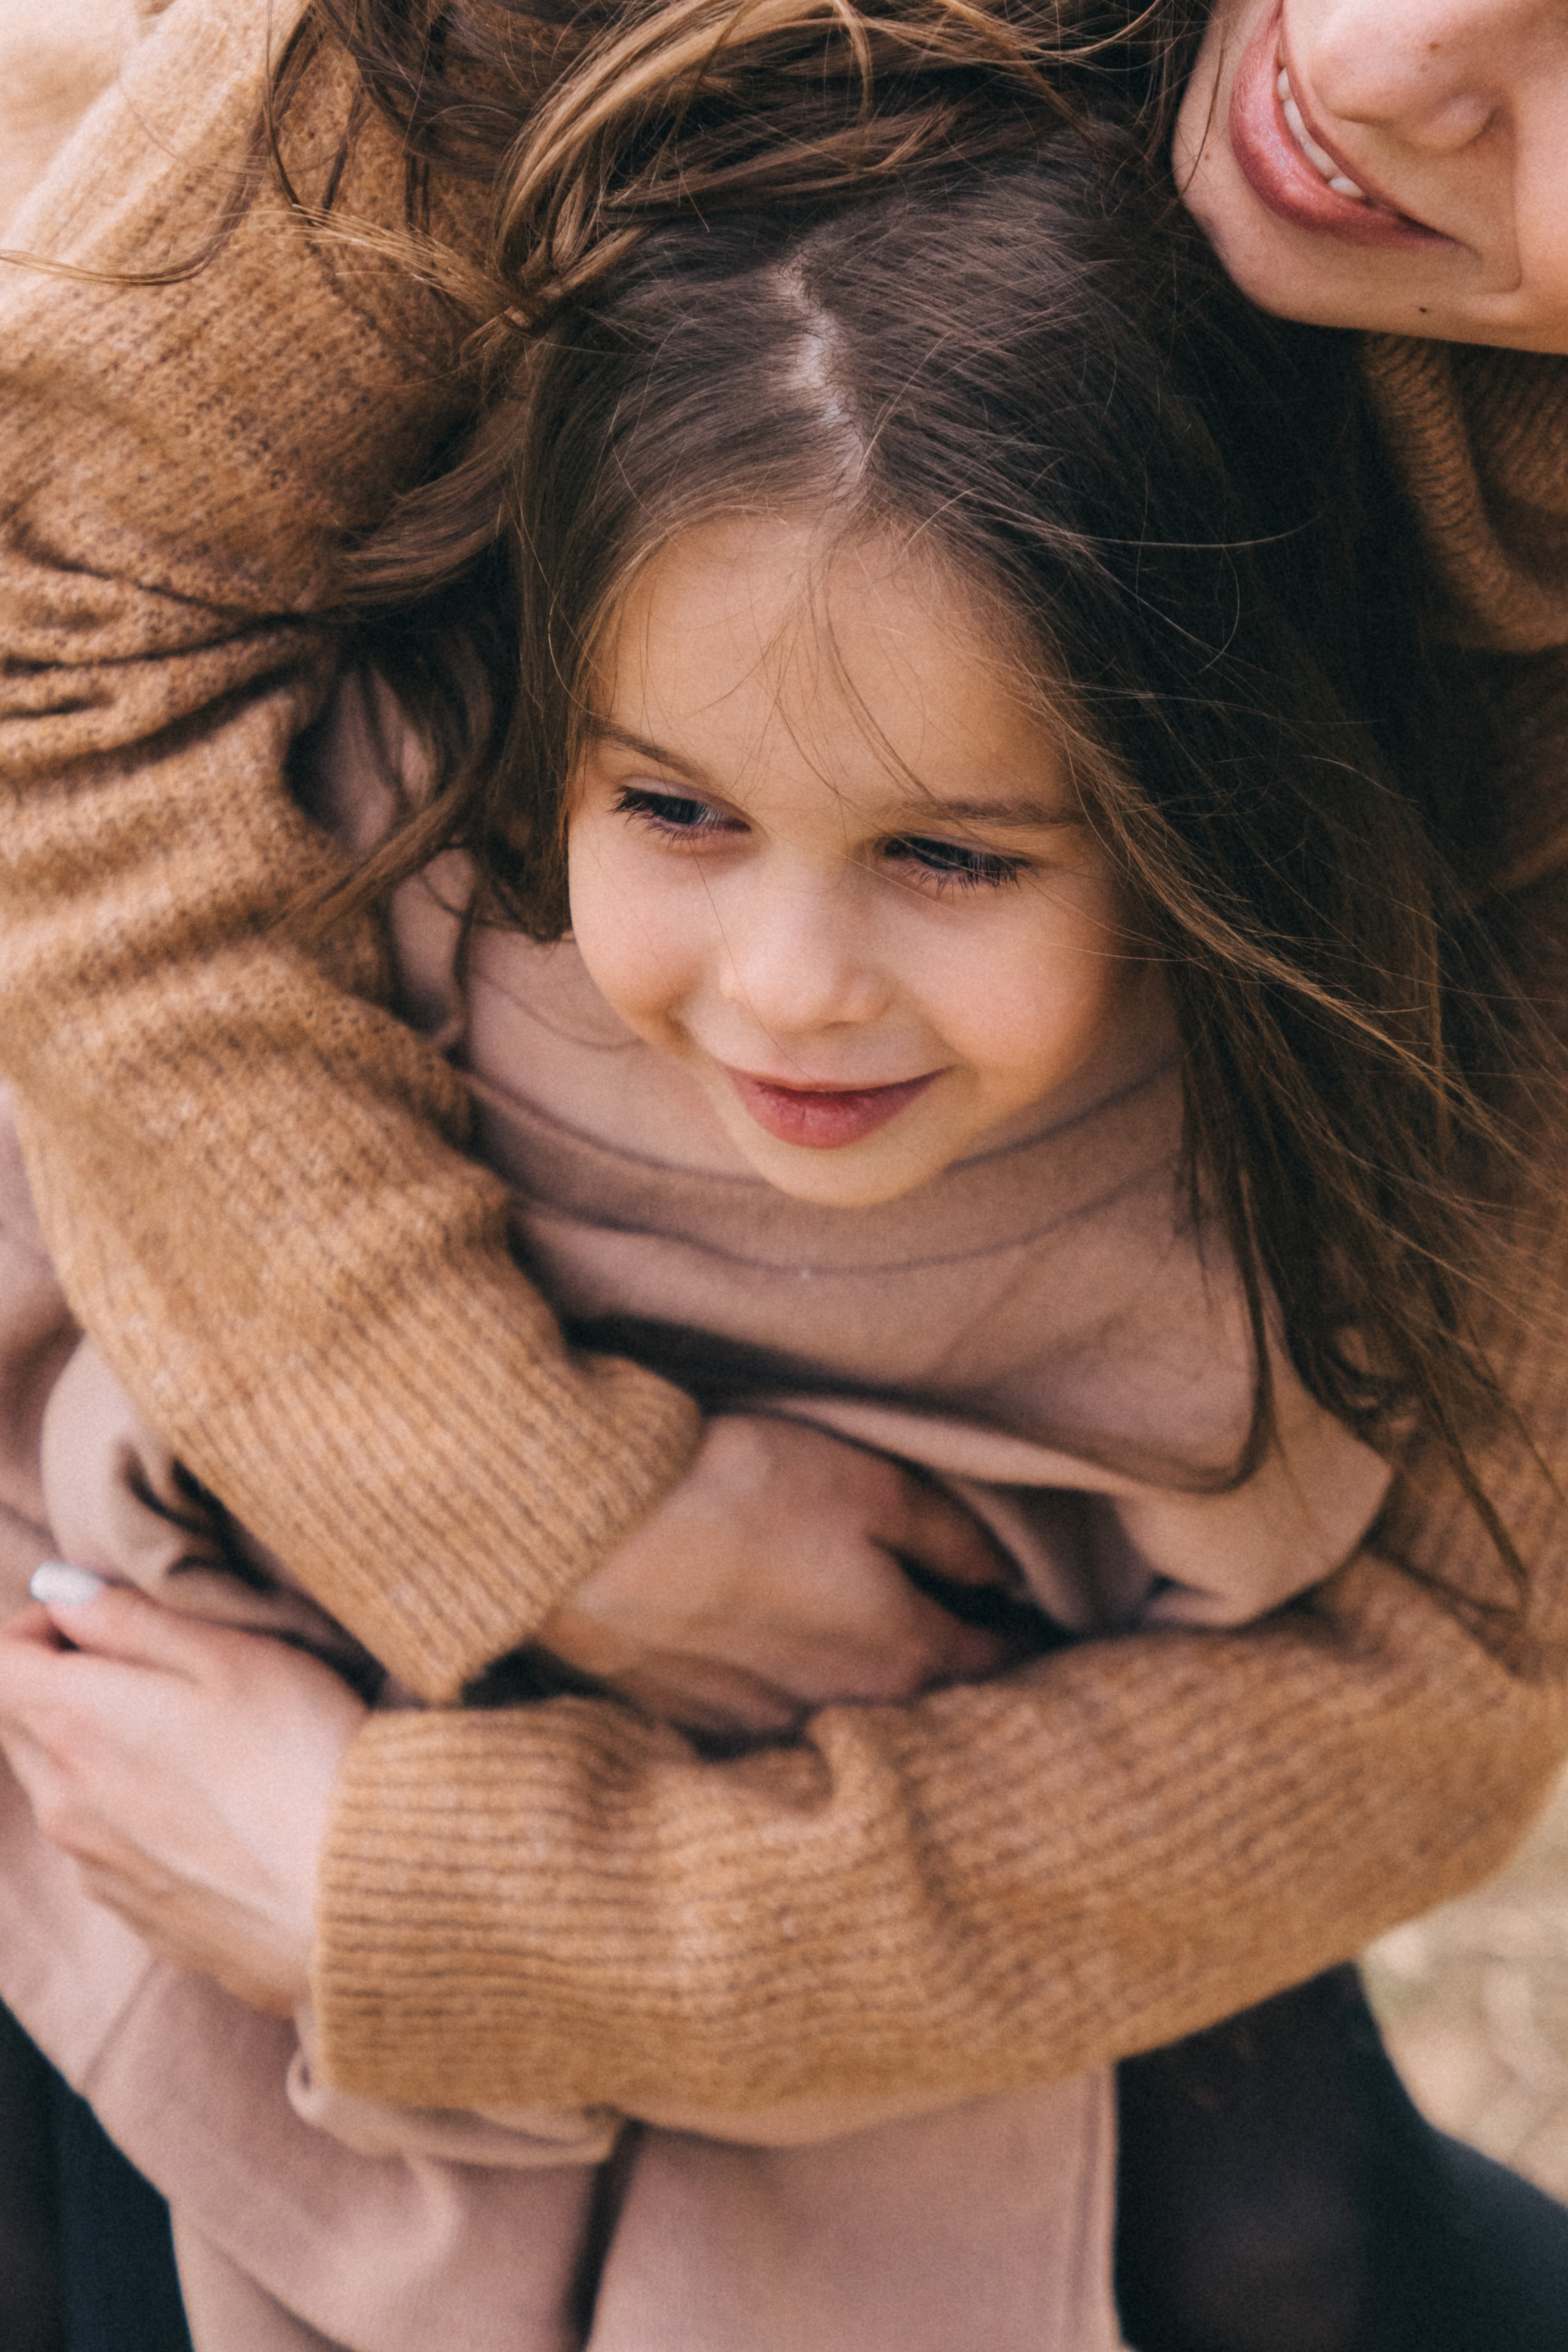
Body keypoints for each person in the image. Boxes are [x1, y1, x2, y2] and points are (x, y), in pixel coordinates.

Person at [0, 0, 1566, 2340]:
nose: (1389, 66)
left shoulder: (1304, 1211)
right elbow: (55, 618)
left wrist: (444, 1910)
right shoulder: (403, 719)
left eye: (953, 852)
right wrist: (530, 1498)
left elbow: (1437, 1670)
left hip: (973, 1917)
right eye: (673, 809)